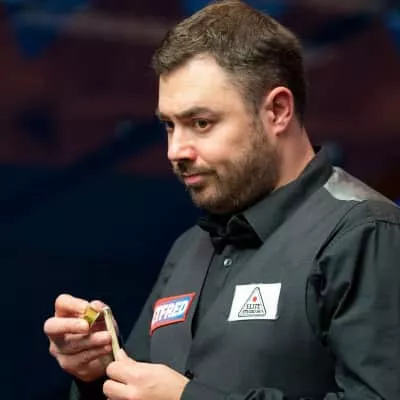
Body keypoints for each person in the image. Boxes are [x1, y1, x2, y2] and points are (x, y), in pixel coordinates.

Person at [43, 1, 400, 399]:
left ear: (278, 111)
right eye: (169, 125)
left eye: (201, 123)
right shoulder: (190, 248)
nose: (175, 150)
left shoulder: (366, 233)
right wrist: (97, 375)